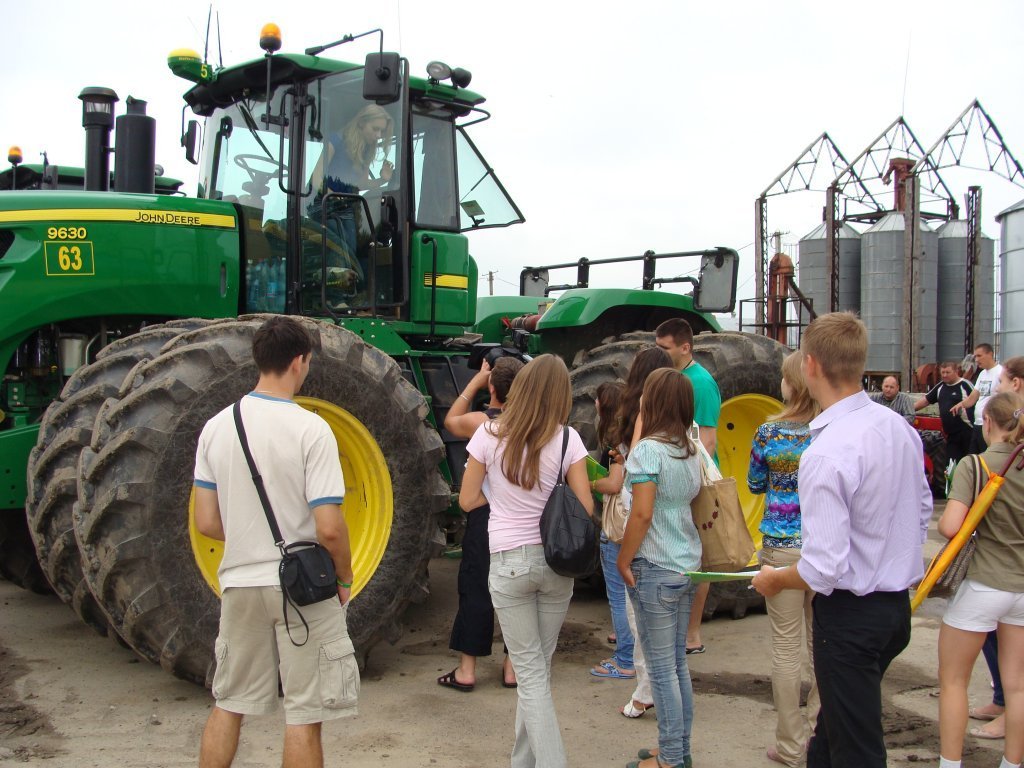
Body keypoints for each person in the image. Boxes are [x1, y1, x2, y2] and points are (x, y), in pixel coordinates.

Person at [752, 311, 932, 768]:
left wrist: (776, 581)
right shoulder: (899, 429)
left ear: (809, 365)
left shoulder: (826, 452)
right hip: (894, 609)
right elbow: (923, 508)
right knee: (831, 734)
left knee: (857, 748)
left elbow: (823, 568)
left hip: (852, 616)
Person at [193, 317, 357, 768]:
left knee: (229, 701)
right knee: (304, 713)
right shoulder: (311, 429)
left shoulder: (215, 427)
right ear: (300, 362)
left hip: (239, 584)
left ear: (259, 360)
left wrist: (251, 536)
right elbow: (328, 527)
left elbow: (206, 522)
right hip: (301, 589)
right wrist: (344, 576)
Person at [459, 354, 593, 768]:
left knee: (531, 677)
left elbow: (466, 501)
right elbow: (585, 508)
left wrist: (499, 504)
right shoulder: (569, 439)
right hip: (557, 565)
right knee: (537, 673)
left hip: (508, 562)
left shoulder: (488, 434)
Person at [616, 368, 703, 768]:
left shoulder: (648, 450)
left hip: (655, 565)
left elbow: (642, 513)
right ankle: (677, 748)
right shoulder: (690, 448)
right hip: (687, 564)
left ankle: (670, 757)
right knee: (676, 665)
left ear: (652, 402)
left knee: (661, 668)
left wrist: (623, 557)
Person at [936, 391, 1024, 768]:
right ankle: (1011, 763)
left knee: (954, 680)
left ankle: (950, 764)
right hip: (1022, 589)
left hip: (984, 583)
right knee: (1018, 684)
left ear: (987, 422)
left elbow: (951, 526)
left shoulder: (976, 465)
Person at [747, 351, 821, 767]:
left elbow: (755, 483)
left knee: (786, 649)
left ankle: (792, 747)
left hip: (779, 548)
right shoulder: (826, 429)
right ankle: (820, 738)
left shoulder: (769, 431)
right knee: (821, 646)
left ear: (791, 382)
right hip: (823, 547)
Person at [439, 356, 523, 691]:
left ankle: (467, 670)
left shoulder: (481, 423)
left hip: (484, 512)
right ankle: (512, 668)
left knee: (476, 587)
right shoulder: (531, 424)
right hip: (521, 515)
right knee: (517, 593)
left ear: (493, 388)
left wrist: (475, 380)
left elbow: (450, 421)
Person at [610, 346, 674, 718]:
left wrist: (624, 555)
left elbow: (637, 479)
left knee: (642, 616)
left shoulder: (637, 419)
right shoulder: (679, 427)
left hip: (647, 528)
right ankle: (659, 687)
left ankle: (648, 689)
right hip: (677, 533)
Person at [963, 356, 1024, 741]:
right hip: (1003, 571)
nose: (996, 384)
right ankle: (1003, 700)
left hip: (1004, 570)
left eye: (1001, 379)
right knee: (995, 634)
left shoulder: (993, 457)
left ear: (1016, 383)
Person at [654, 318, 721, 656]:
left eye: (665, 349)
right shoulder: (674, 379)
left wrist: (681, 479)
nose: (660, 354)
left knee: (700, 558)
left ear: (685, 347)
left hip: (697, 481)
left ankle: (692, 634)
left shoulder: (701, 384)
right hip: (679, 475)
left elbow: (706, 442)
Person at [589, 381, 636, 681]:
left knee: (618, 596)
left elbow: (615, 484)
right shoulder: (637, 436)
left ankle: (624, 660)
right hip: (633, 524)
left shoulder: (617, 442)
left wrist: (590, 483)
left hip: (616, 526)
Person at [914, 363, 975, 467]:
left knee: (968, 463)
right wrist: (908, 410)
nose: (945, 375)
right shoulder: (940, 387)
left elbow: (977, 400)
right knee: (951, 465)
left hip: (967, 432)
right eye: (943, 373)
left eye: (948, 372)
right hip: (951, 434)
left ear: (956, 371)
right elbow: (925, 401)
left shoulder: (965, 385)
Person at [951, 343, 1004, 454]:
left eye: (979, 356)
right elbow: (973, 397)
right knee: (974, 457)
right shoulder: (982, 374)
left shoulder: (1001, 372)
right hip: (978, 424)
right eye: (975, 356)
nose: (976, 359)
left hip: (991, 425)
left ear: (990, 354)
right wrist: (961, 404)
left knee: (987, 457)